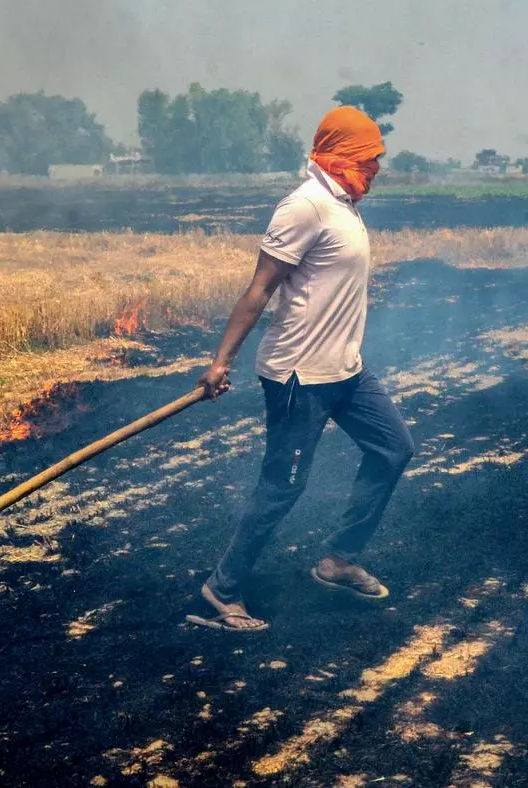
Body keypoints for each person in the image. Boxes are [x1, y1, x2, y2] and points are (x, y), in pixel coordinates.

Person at [188, 106, 415, 633]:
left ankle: (338, 560)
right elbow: (259, 291)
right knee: (284, 485)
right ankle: (219, 591)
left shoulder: (344, 203)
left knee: (394, 447)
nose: (376, 167)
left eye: (377, 158)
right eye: (368, 157)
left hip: (345, 372)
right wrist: (221, 362)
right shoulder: (305, 206)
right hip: (298, 377)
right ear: (339, 154)